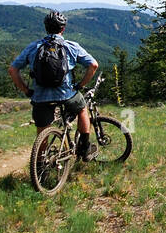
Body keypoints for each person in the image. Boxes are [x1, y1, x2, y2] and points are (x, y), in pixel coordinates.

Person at [9, 10, 100, 159]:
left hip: (40, 97)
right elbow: (93, 65)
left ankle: (40, 165)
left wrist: (26, 90)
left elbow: (13, 69)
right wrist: (80, 85)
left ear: (46, 28)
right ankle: (85, 147)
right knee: (82, 109)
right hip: (66, 94)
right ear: (63, 29)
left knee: (42, 130)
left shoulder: (34, 47)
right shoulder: (71, 46)